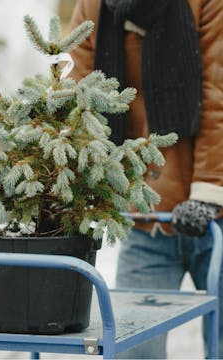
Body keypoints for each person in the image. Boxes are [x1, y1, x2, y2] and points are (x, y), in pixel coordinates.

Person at [69, 0, 223, 358]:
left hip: (216, 214)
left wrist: (209, 193)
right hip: (148, 217)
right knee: (133, 348)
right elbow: (77, 94)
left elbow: (218, 97)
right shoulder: (97, 5)